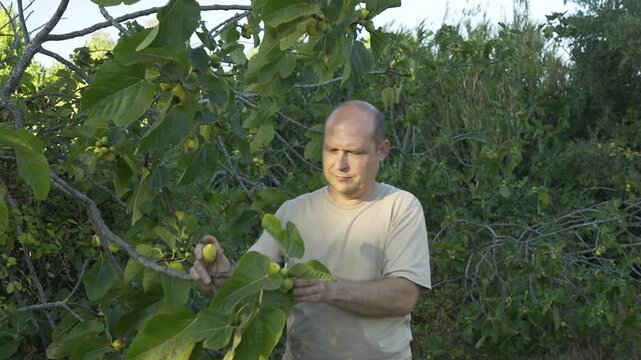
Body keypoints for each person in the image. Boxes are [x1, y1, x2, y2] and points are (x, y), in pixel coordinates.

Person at [190, 100, 431, 360]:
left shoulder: (399, 207)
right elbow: (250, 284)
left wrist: (330, 289)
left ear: (381, 150)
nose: (340, 164)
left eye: (354, 152)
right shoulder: (293, 212)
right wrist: (221, 275)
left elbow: (403, 296)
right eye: (332, 150)